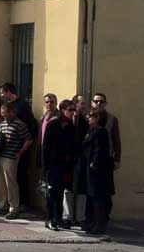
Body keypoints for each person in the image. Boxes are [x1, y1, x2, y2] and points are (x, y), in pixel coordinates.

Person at [0, 83, 37, 210]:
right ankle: (7, 204)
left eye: (3, 93)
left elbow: (31, 127)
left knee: (20, 176)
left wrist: (23, 148)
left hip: (20, 148)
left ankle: (23, 203)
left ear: (9, 92)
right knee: (6, 180)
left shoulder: (23, 105)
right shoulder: (7, 107)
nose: (2, 96)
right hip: (7, 151)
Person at [42, 100, 78, 231]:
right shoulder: (53, 124)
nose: (72, 113)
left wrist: (72, 162)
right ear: (62, 110)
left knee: (61, 192)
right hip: (53, 165)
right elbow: (45, 147)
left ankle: (58, 218)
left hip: (66, 166)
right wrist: (46, 167)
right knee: (52, 193)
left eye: (74, 110)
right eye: (70, 110)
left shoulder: (71, 126)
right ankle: (51, 219)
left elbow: (74, 146)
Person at [80, 109, 115, 235]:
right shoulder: (90, 130)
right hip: (89, 169)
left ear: (98, 118)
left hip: (97, 170)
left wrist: (94, 163)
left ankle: (99, 224)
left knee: (98, 197)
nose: (88, 118)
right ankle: (91, 222)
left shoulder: (101, 131)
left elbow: (99, 150)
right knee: (91, 196)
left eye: (91, 116)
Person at [0, 102, 33, 220]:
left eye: (6, 114)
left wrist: (20, 152)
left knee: (11, 183)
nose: (4, 117)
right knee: (0, 182)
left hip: (11, 157)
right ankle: (2, 205)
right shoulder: (2, 124)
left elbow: (28, 139)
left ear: (12, 112)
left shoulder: (19, 124)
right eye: (2, 115)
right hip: (0, 156)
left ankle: (13, 208)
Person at [64, 94, 90, 227]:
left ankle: (80, 217)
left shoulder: (86, 122)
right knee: (67, 188)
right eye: (82, 104)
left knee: (81, 188)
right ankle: (67, 216)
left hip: (80, 159)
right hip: (67, 159)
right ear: (75, 104)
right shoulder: (64, 121)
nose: (84, 106)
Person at [91, 93, 121, 170]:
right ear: (92, 103)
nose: (99, 103)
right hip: (90, 158)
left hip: (107, 157)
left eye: (101, 101)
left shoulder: (112, 119)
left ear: (105, 104)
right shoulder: (87, 117)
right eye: (96, 101)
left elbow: (116, 140)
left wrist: (117, 159)